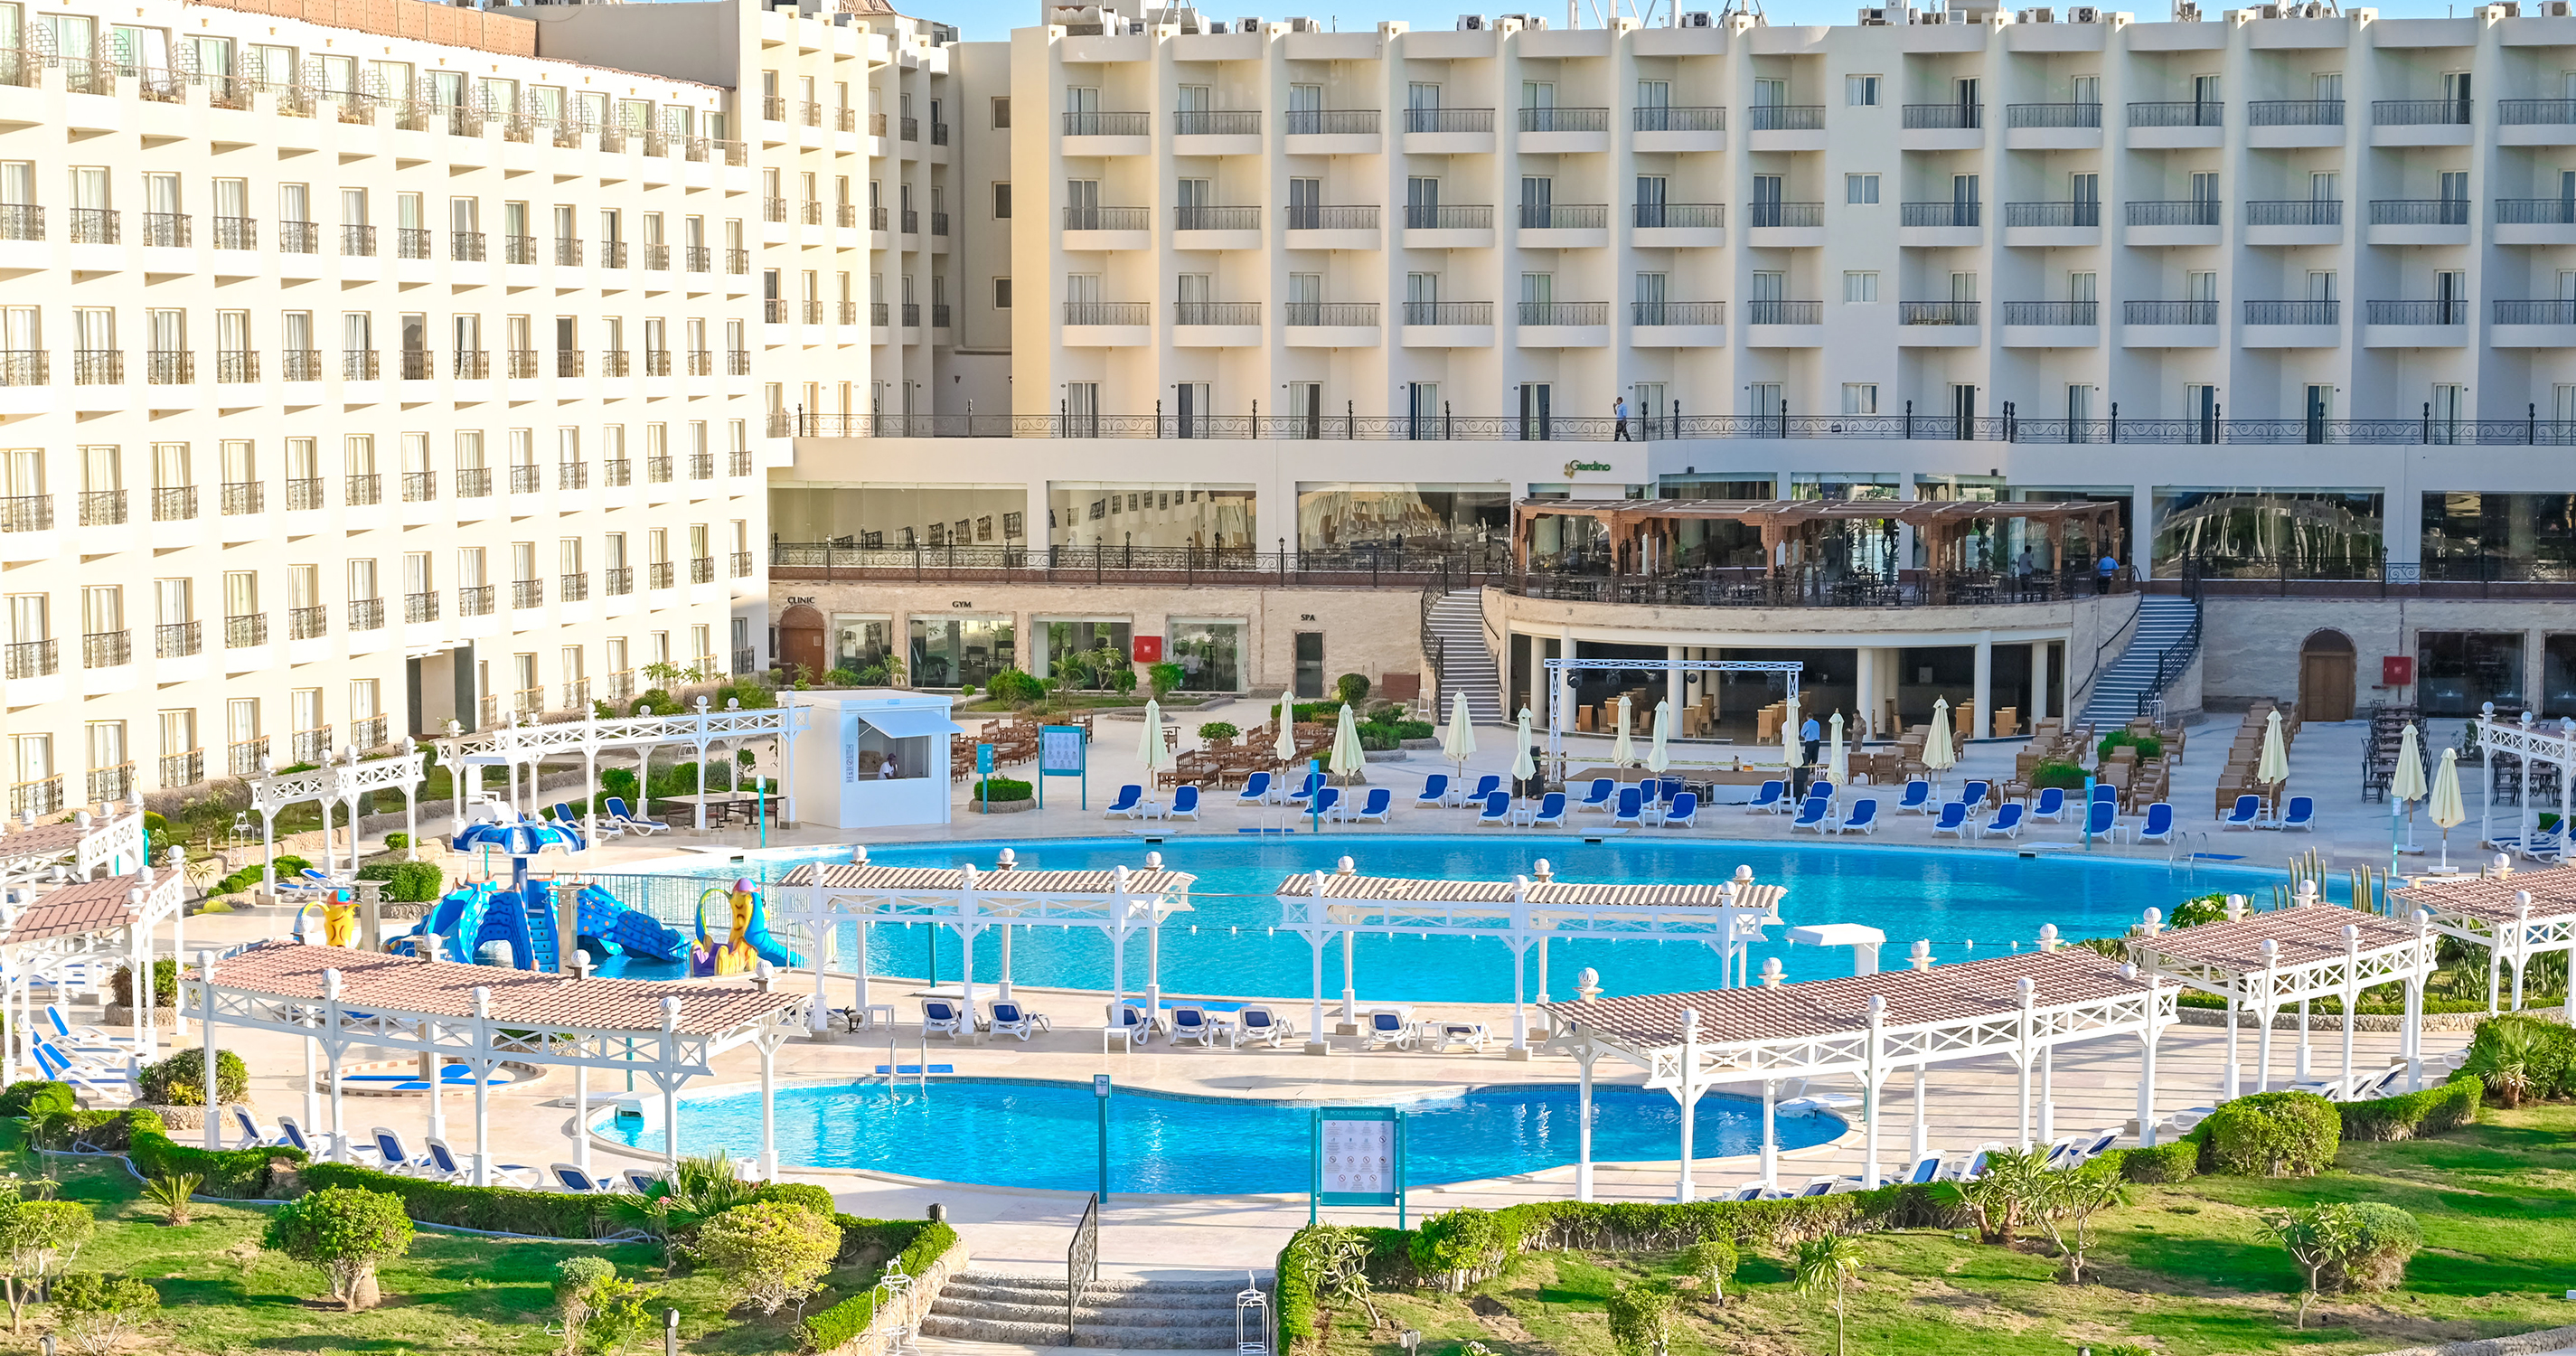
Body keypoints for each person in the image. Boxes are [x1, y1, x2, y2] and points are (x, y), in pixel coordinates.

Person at [1797, 713, 1822, 797]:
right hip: (1816, 742)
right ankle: (1814, 770)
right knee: (1815, 757)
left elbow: (1802, 733)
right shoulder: (1817, 723)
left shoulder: (1806, 724)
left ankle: (1807, 771)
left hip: (1809, 742)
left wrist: (1806, 736)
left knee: (1808, 757)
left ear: (1807, 717)